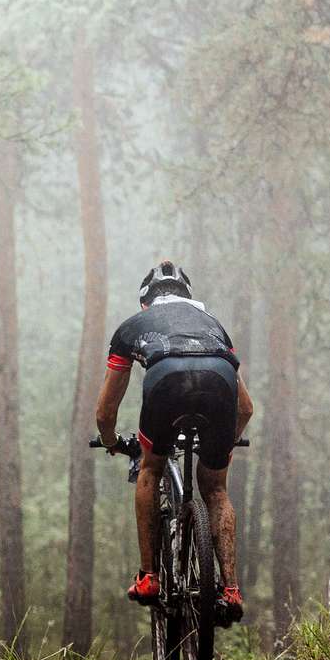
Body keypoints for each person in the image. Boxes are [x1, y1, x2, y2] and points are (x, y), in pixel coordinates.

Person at [94, 260, 254, 621]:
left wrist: (111, 442)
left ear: (145, 302)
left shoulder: (132, 328)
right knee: (215, 489)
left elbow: (105, 413)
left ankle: (150, 577)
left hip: (166, 381)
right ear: (188, 298)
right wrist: (227, 441)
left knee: (151, 468)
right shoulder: (214, 327)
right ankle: (230, 589)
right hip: (220, 382)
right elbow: (245, 408)